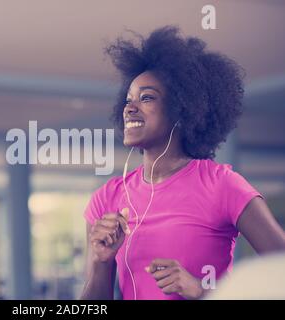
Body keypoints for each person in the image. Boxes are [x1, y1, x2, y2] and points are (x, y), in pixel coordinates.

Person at [81, 26, 285, 300]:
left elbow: (278, 274)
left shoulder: (222, 186)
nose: (130, 108)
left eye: (147, 97)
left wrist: (200, 290)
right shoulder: (107, 198)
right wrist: (100, 261)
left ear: (181, 109)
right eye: (128, 100)